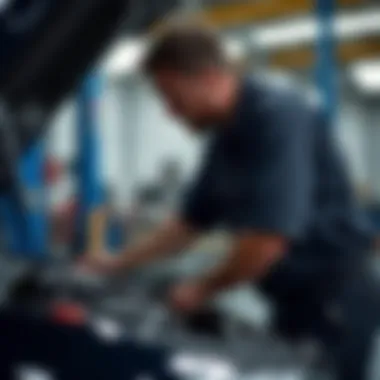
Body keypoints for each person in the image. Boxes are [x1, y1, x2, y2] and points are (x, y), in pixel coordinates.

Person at [81, 24, 380, 379]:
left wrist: (201, 288)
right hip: (290, 301)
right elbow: (187, 225)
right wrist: (117, 263)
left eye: (174, 98)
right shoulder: (225, 139)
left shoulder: (277, 116)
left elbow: (268, 241)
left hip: (334, 302)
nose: (170, 113)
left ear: (209, 78)